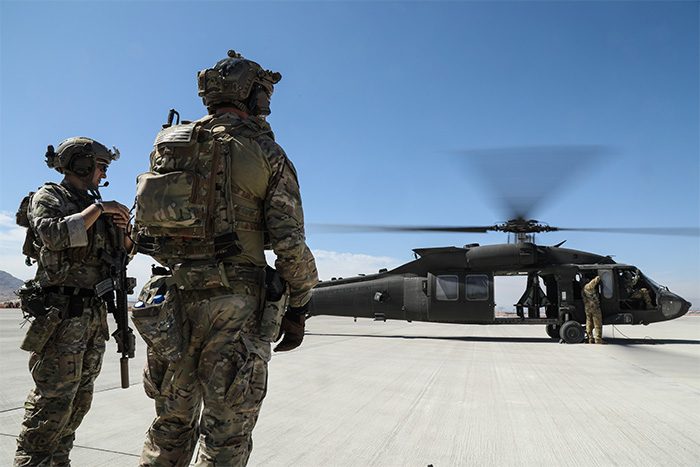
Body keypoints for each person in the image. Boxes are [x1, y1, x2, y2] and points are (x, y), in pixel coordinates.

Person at [136, 50, 319, 466]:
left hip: (173, 301)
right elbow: (290, 243)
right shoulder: (264, 152)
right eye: (263, 93)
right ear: (250, 94)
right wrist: (300, 305)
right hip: (236, 307)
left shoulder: (169, 147)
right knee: (225, 438)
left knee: (169, 427)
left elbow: (144, 229)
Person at [14, 137, 132, 466]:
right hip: (62, 317)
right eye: (99, 166)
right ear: (79, 163)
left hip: (93, 319)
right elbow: (52, 235)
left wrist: (125, 232)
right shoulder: (51, 196)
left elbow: (121, 257)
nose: (103, 173)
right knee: (50, 409)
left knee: (77, 406)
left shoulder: (98, 206)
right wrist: (100, 209)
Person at [582, 275, 605, 344]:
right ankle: (598, 339)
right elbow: (596, 280)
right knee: (597, 322)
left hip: (587, 308)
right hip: (594, 307)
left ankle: (590, 338)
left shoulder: (582, 290)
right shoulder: (588, 286)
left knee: (589, 322)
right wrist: (601, 274)